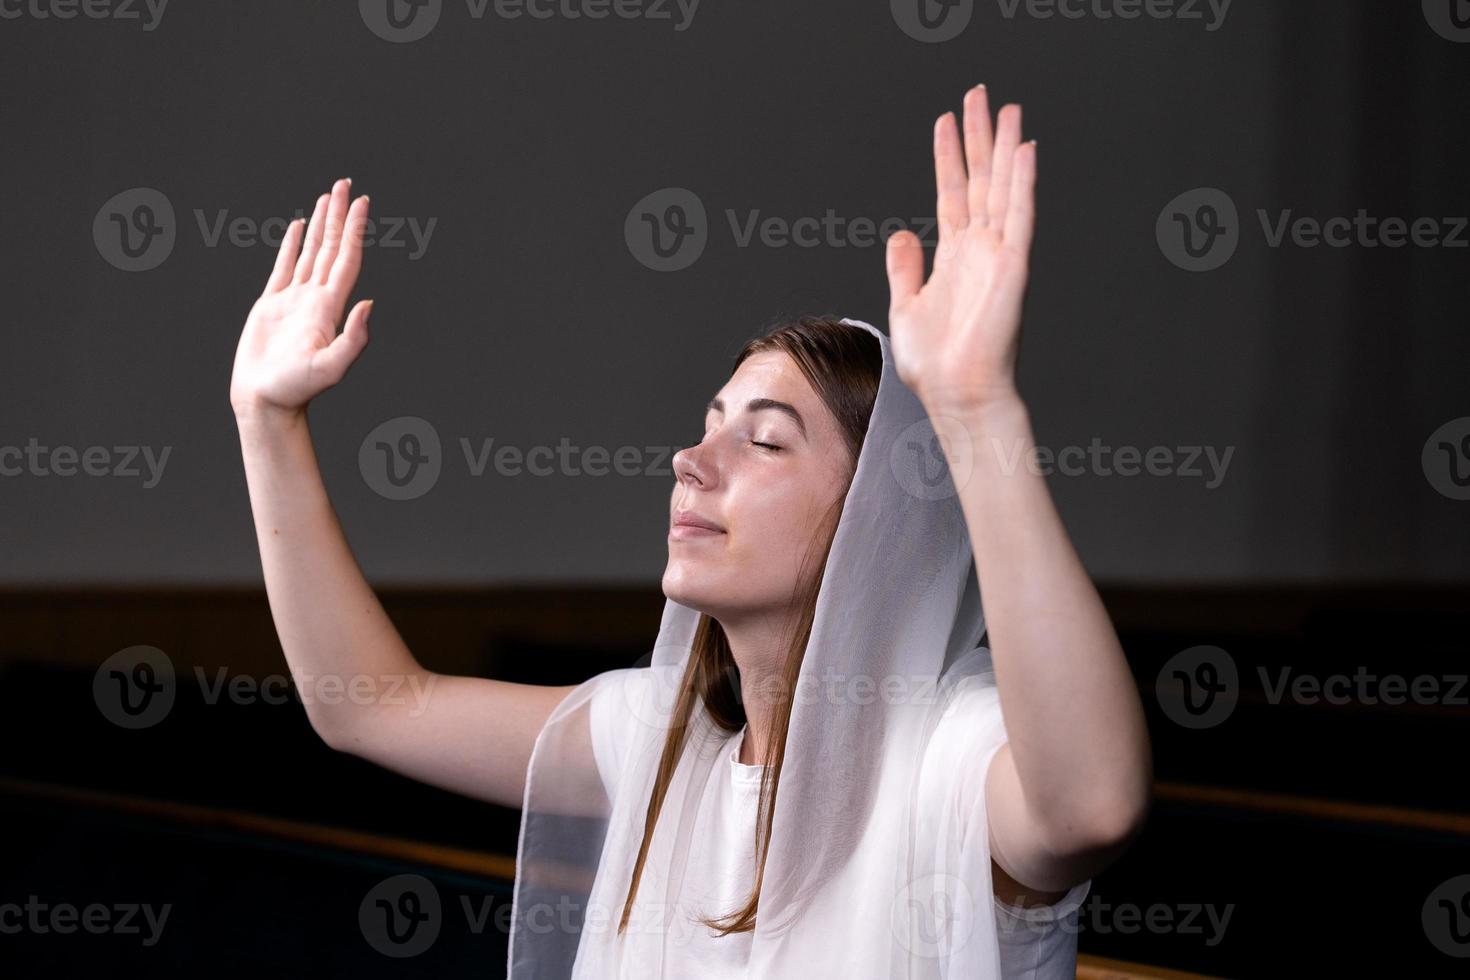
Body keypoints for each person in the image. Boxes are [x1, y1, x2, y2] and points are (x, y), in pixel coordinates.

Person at [229, 83, 1152, 978]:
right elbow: (368, 705)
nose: (691, 460)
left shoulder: (954, 752)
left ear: (878, 518)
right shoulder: (665, 738)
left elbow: (1090, 808)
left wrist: (975, 406)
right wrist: (266, 422)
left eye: (762, 439)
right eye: (710, 422)